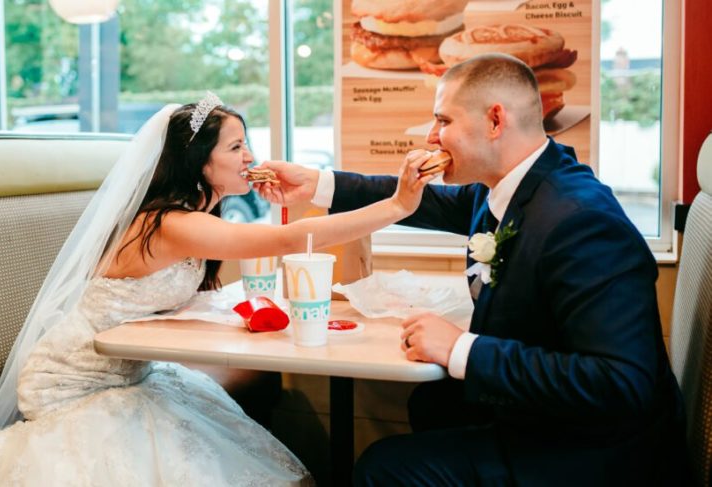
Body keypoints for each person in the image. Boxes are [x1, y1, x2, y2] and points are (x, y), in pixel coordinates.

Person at [256, 54, 689, 485]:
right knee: (431, 401)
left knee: (382, 467)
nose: (430, 136)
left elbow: (620, 383)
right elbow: (417, 198)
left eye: (442, 121)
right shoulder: (512, 186)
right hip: (555, 422)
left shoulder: (580, 220)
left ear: (495, 121)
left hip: (599, 453)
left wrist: (463, 349)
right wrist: (318, 183)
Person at [0, 93, 435, 485]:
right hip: (74, 382)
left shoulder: (197, 218)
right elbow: (288, 240)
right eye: (236, 147)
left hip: (131, 372)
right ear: (200, 161)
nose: (250, 158)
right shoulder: (172, 225)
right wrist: (396, 204)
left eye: (248, 144)